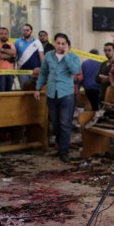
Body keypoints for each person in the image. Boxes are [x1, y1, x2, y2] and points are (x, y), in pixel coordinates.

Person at [34, 33, 81, 162]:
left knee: (64, 123)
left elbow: (75, 70)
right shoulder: (49, 56)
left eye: (63, 43)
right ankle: (60, 147)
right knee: (55, 123)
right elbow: (43, 73)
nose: (60, 45)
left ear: (67, 45)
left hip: (66, 94)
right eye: (58, 43)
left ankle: (64, 152)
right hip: (51, 94)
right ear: (54, 43)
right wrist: (38, 88)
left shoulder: (73, 57)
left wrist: (66, 56)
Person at [15, 24, 44, 89]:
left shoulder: (37, 42)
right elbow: (14, 56)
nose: (25, 32)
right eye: (24, 30)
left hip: (35, 72)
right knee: (24, 90)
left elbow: (42, 57)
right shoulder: (17, 42)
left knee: (36, 90)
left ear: (31, 31)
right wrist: (14, 70)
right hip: (22, 71)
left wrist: (43, 69)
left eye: (27, 30)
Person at [0, 27, 17, 92]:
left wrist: (2, 50)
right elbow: (1, 56)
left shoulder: (11, 44)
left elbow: (14, 52)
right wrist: (10, 55)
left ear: (8, 35)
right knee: (1, 91)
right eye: (1, 34)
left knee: (9, 92)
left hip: (10, 72)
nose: (4, 35)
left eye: (5, 34)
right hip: (0, 72)